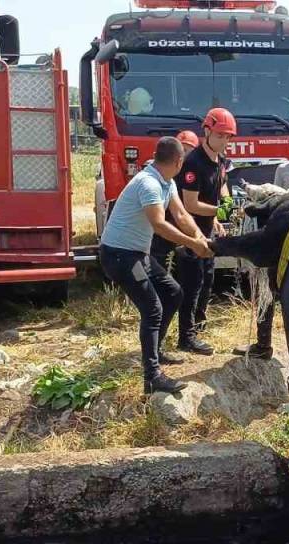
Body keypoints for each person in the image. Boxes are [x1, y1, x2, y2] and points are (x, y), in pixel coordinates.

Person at [101, 137, 212, 393]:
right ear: (178, 161)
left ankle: (156, 350)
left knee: (173, 293)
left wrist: (199, 238)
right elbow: (159, 225)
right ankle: (152, 377)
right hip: (119, 255)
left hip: (137, 253)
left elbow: (182, 214)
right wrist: (192, 244)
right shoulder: (148, 183)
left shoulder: (166, 181)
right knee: (153, 309)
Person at [169, 107, 237, 355]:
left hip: (207, 231)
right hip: (189, 231)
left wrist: (227, 203)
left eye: (228, 137)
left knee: (208, 279)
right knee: (192, 283)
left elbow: (223, 185)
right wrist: (219, 211)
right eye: (220, 136)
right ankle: (186, 337)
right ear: (207, 131)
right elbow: (190, 205)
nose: (224, 141)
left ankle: (198, 324)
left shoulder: (219, 160)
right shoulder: (193, 163)